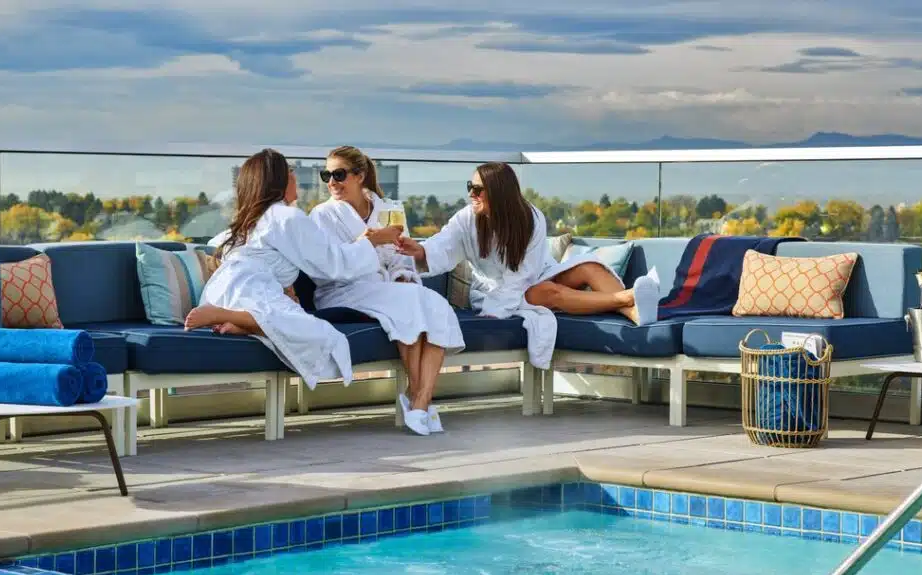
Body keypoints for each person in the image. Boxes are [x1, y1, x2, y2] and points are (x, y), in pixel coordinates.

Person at [394, 162, 661, 371]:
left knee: (592, 267)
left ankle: (634, 312)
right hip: (496, 292)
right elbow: (442, 244)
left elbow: (527, 273)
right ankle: (628, 298)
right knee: (549, 293)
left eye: (477, 189)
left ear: (498, 193)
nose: (471, 195)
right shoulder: (466, 220)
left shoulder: (530, 218)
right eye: (470, 187)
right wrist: (420, 250)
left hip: (534, 275)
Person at [185, 148, 403, 391]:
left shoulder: (254, 217)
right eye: (290, 173)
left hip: (223, 290)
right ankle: (232, 317)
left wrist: (286, 287)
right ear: (279, 181)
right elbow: (333, 263)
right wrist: (372, 241)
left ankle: (244, 323)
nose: (295, 177)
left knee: (299, 320)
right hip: (248, 292)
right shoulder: (287, 217)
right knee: (320, 334)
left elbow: (224, 246)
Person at [309, 146, 465, 436]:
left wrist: (404, 274)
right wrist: (368, 240)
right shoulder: (322, 215)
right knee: (408, 304)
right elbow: (329, 266)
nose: (331, 182)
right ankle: (420, 401)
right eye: (326, 175)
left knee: (432, 302)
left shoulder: (389, 210)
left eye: (339, 174)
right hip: (342, 291)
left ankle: (420, 400)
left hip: (383, 287)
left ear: (360, 175)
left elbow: (399, 258)